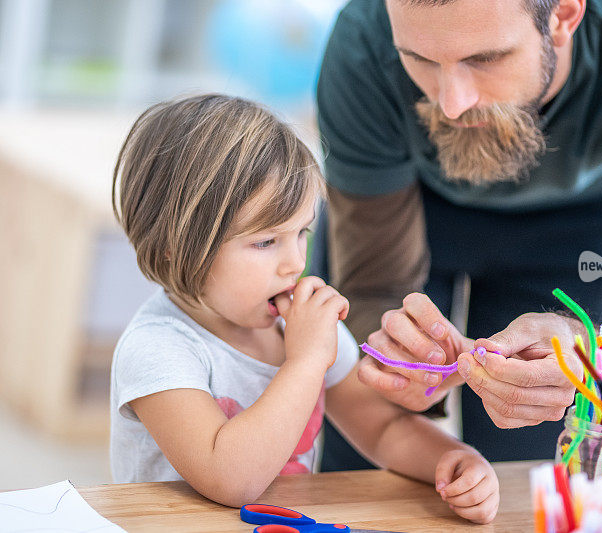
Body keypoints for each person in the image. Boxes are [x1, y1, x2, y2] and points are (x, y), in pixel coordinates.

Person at [314, 0, 602, 469]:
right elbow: (370, 294)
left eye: (485, 59)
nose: (451, 103)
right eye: (420, 59)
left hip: (576, 225)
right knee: (362, 459)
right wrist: (398, 357)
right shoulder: (363, 42)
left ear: (565, 15)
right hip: (411, 204)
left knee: (527, 473)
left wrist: (594, 363)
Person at [108, 94, 500, 523]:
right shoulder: (158, 348)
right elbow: (229, 480)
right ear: (172, 248)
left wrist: (454, 459)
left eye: (301, 233)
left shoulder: (298, 329)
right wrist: (307, 360)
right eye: (265, 242)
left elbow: (382, 427)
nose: (295, 262)